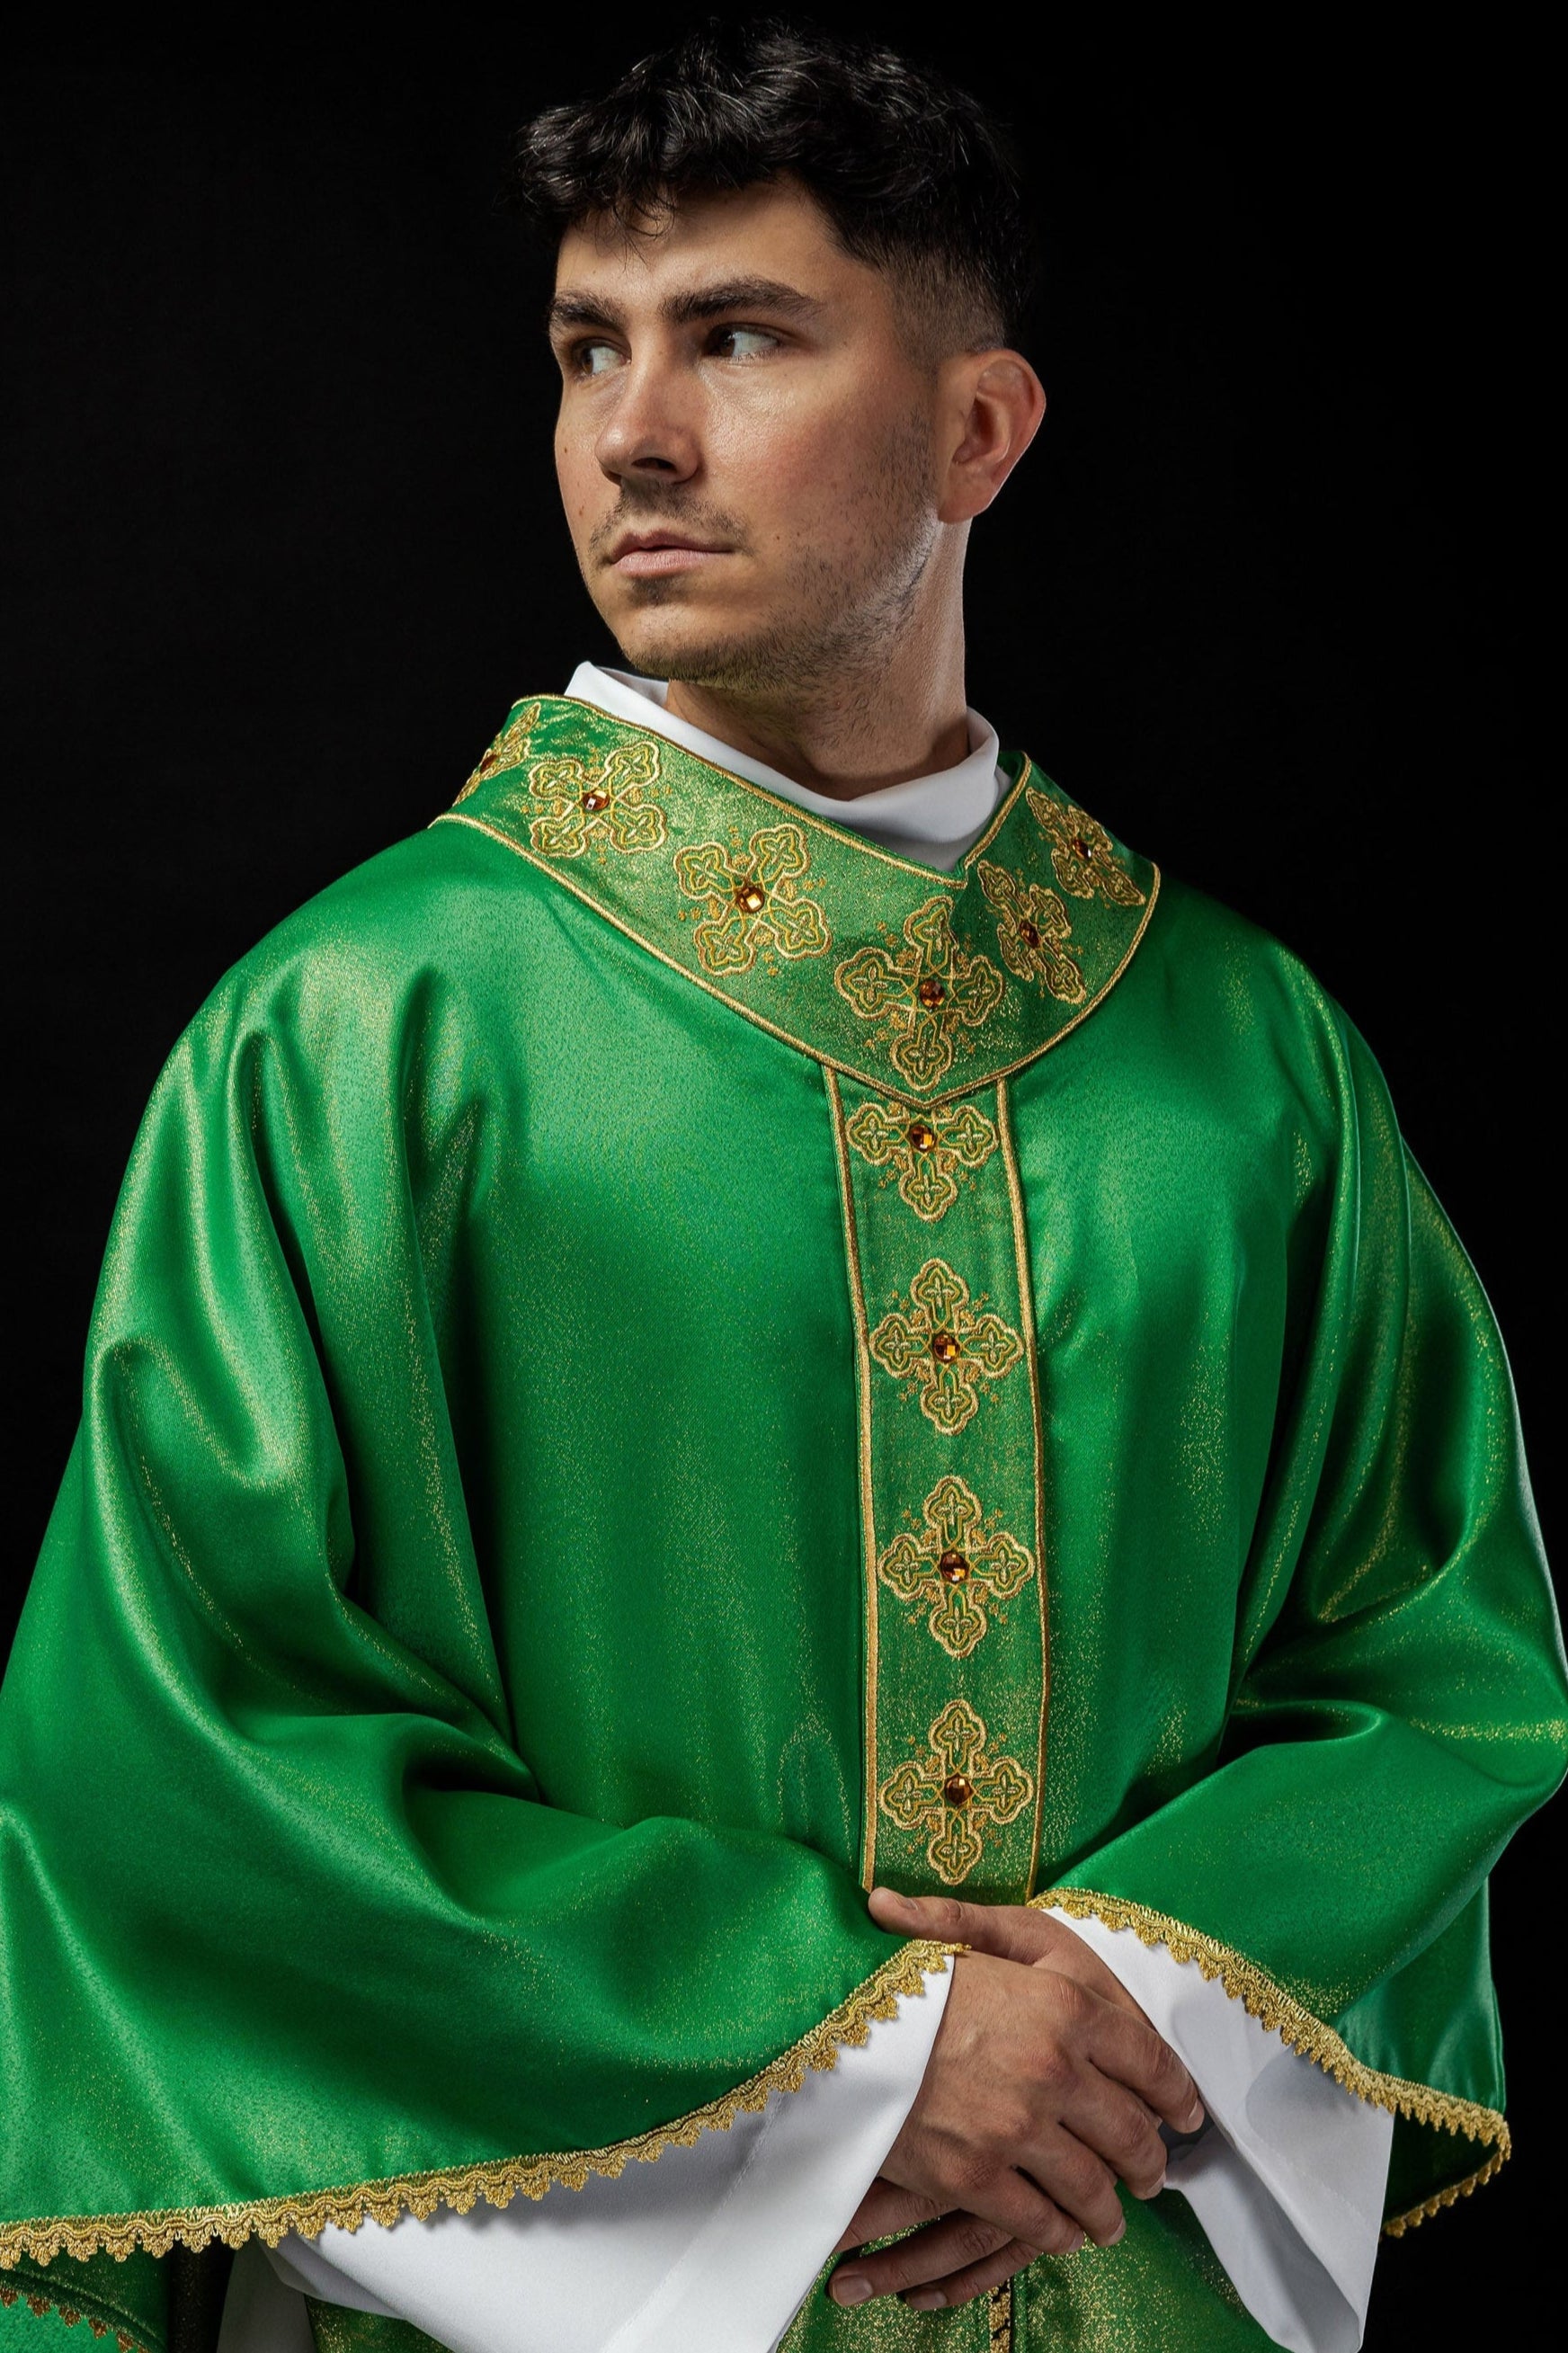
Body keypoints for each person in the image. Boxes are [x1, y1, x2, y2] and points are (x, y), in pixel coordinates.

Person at [2, 22, 1563, 2353]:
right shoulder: (364, 1032)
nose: (632, 431)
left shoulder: (1241, 1062)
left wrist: (1137, 1998)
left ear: (978, 428)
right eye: (584, 350)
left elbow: (1435, 1659)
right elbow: (180, 1775)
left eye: (739, 338)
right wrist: (853, 2047)